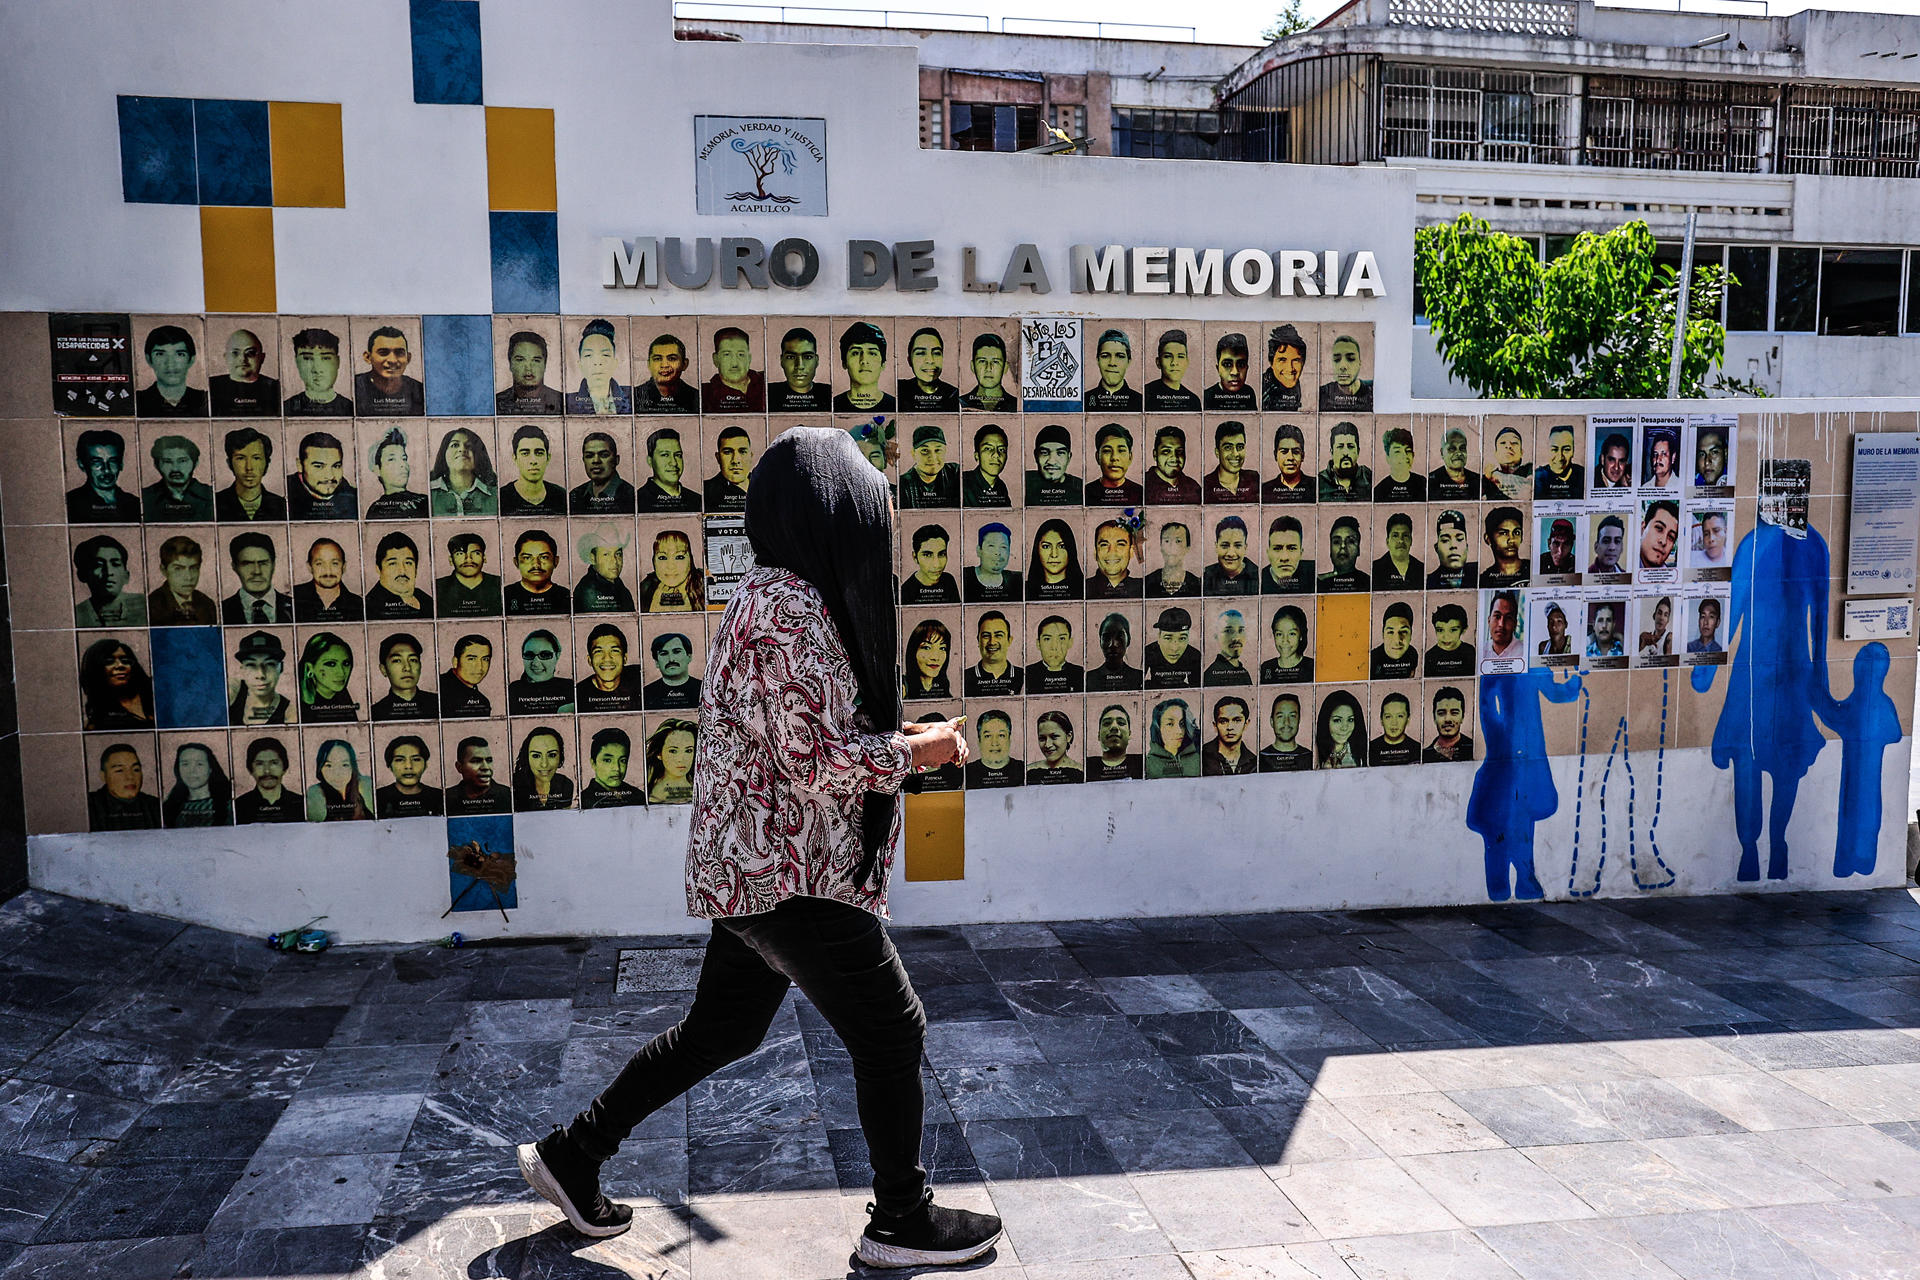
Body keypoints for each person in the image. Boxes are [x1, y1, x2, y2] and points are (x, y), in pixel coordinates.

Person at [519, 423, 997, 1262]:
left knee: (718, 1033)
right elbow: (814, 760)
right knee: (893, 1033)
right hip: (792, 876)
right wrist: (921, 751)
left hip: (755, 871)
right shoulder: (788, 608)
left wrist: (897, 736)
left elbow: (806, 734)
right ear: (824, 507)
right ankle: (900, 1222)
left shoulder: (777, 596)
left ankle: (572, 1152)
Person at [65, 428, 142, 523]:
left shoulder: (135, 504)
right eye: (97, 462)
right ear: (81, 464)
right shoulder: (69, 503)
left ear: (121, 464)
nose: (106, 469)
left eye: (112, 461)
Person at [215, 425, 288, 522]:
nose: (249, 467)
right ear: (229, 463)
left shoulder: (282, 505)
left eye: (256, 458)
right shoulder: (214, 503)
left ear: (267, 462)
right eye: (241, 458)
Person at [73, 534, 147, 627]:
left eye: (115, 564)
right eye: (98, 565)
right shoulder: (75, 616)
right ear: (82, 575)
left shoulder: (148, 605)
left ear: (126, 575)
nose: (108, 572)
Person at [80, 638, 153, 730]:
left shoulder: (156, 689)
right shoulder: (97, 721)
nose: (120, 665)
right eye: (109, 662)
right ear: (96, 669)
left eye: (125, 660)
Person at [135, 324, 208, 417]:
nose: (170, 364)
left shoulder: (206, 399)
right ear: (148, 359)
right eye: (160, 354)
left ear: (191, 359)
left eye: (180, 354)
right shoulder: (136, 401)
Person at [207, 327, 280, 417]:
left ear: (262, 358)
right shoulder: (211, 386)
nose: (242, 359)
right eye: (235, 353)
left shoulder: (275, 388)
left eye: (250, 353)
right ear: (226, 357)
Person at [88, 742, 161, 831]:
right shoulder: (89, 806)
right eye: (119, 770)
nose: (130, 777)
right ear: (103, 776)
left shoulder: (154, 806)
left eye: (136, 769)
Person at [288, 430, 359, 520]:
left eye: (336, 466)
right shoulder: (284, 496)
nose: (330, 476)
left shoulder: (354, 498)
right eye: (319, 466)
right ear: (300, 465)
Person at [566, 319, 632, 415]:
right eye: (588, 355)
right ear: (580, 365)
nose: (597, 363)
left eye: (605, 355)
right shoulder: (567, 402)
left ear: (615, 363)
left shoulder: (633, 396)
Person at [354, 325, 425, 416]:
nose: (392, 360)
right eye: (383, 353)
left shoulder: (419, 391)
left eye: (399, 353)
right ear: (368, 357)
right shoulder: (354, 387)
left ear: (408, 358)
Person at [222, 532, 291, 625]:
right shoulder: (220, 610)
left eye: (263, 563)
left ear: (273, 565)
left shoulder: (297, 607)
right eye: (247, 564)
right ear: (234, 567)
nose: (257, 572)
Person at [141, 433, 214, 521]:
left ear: (195, 463)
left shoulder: (211, 495)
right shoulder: (144, 497)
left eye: (182, 461)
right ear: (157, 465)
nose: (175, 468)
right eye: (167, 461)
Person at [148, 534, 218, 626]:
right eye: (178, 569)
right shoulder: (151, 606)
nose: (188, 577)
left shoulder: (207, 604)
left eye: (193, 568)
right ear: (164, 570)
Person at [429, 426, 499, 517]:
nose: (462, 449)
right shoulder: (428, 493)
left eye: (469, 446)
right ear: (443, 453)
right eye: (455, 445)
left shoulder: (496, 495)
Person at [159, 742, 232, 828]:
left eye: (199, 764)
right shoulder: (168, 808)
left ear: (210, 768)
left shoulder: (229, 806)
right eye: (185, 764)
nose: (192, 771)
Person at [576, 622, 644, 713]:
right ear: (589, 660)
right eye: (599, 651)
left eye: (614, 651)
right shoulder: (578, 694)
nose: (607, 658)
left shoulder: (640, 677)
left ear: (625, 658)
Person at [229, 630, 293, 726]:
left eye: (270, 664)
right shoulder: (234, 690)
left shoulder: (290, 711)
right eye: (251, 665)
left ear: (281, 668)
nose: (261, 675)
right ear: (242, 670)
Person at [284, 327, 353, 416]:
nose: (317, 369)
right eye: (307, 358)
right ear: (297, 362)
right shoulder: (286, 408)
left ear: (337, 362)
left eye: (326, 358)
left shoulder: (352, 408)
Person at [366, 530, 434, 620]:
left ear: (416, 569)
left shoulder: (426, 599)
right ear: (379, 569)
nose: (402, 571)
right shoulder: (370, 607)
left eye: (408, 563)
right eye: (393, 563)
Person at [372, 632, 440, 721]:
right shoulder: (375, 713)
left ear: (420, 665)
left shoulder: (438, 703)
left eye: (413, 660)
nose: (407, 668)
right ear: (383, 669)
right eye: (397, 661)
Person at [364, 426, 429, 519]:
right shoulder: (376, 510)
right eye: (391, 459)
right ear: (377, 469)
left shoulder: (425, 501)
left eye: (404, 458)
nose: (402, 464)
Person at [294, 537, 364, 623]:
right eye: (319, 564)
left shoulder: (358, 604)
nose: (328, 571)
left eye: (334, 563)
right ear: (309, 567)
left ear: (344, 567)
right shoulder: (293, 598)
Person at [501, 424, 566, 516]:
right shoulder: (501, 497)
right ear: (515, 458)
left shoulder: (562, 496)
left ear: (548, 458)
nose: (533, 461)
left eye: (539, 453)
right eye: (525, 453)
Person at [235, 736, 302, 823]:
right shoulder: (239, 806)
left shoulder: (301, 803)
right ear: (250, 769)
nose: (267, 771)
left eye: (274, 763)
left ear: (284, 767)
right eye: (259, 764)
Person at [635, 426, 701, 513]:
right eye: (665, 455)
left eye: (678, 455)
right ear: (650, 461)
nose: (674, 463)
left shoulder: (698, 500)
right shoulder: (637, 501)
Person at [570, 524, 635, 613]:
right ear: (593, 558)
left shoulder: (620, 587)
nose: (614, 561)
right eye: (606, 554)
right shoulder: (588, 592)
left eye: (618, 554)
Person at [497, 330, 565, 414]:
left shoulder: (562, 401)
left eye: (536, 360)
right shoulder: (495, 403)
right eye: (520, 360)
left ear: (545, 364)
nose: (528, 368)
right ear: (510, 363)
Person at [572, 431, 639, 515]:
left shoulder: (632, 496)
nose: (596, 461)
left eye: (604, 455)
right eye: (589, 456)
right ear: (584, 460)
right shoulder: (574, 495)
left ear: (616, 460)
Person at [306, 738, 375, 821]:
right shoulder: (316, 794)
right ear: (320, 768)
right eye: (329, 765)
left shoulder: (364, 786)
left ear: (353, 767)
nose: (337, 773)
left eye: (344, 765)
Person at [509, 629, 575, 715]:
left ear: (557, 655)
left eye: (545, 655)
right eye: (529, 655)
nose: (535, 663)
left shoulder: (570, 688)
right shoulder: (513, 690)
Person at [298, 631, 359, 723]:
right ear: (310, 668)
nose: (341, 673)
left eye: (346, 663)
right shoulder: (299, 708)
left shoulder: (346, 703)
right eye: (331, 664)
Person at [437, 531, 503, 617]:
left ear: (484, 558)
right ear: (451, 560)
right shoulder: (438, 587)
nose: (468, 559)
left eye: (476, 553)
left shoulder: (500, 584)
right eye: (460, 554)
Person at [376, 733, 442, 819]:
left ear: (425, 764)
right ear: (389, 765)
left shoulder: (439, 797)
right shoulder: (378, 797)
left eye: (416, 759)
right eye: (399, 760)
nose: (408, 766)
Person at [832, 321, 892, 414]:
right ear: (844, 362)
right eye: (855, 353)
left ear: (883, 363)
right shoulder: (833, 405)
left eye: (872, 353)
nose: (864, 360)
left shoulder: (894, 405)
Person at [639, 529, 706, 612]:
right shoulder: (646, 588)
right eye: (662, 557)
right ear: (653, 561)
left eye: (679, 557)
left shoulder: (706, 585)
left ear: (690, 560)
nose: (670, 566)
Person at [703, 326, 766, 414]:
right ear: (715, 359)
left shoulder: (765, 383)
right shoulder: (704, 395)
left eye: (741, 355)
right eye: (727, 355)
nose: (734, 364)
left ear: (749, 358)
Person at [897, 325, 959, 412]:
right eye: (921, 353)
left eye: (936, 353)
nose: (930, 360)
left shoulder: (954, 395)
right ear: (909, 360)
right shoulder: (898, 390)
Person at [767, 325, 828, 412]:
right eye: (791, 357)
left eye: (807, 357)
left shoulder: (828, 394)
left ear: (816, 360)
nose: (799, 366)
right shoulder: (768, 393)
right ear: (781, 360)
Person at [444, 735, 511, 815]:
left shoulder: (508, 796)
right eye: (476, 761)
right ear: (459, 767)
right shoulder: (446, 799)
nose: (486, 767)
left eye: (489, 760)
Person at [513, 727, 577, 811]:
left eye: (552, 755)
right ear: (526, 757)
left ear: (560, 757)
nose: (544, 764)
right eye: (536, 756)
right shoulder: (514, 785)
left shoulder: (565, 784)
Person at [580, 727, 645, 809]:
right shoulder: (584, 801)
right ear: (593, 763)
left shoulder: (638, 796)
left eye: (623, 760)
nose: (617, 768)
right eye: (607, 760)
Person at [636, 332, 700, 413]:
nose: (664, 365)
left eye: (672, 359)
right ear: (649, 364)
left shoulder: (697, 397)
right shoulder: (635, 396)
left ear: (684, 364)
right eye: (657, 359)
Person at [899, 424, 959, 509]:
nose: (932, 457)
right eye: (925, 450)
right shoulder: (903, 485)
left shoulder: (955, 472)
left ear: (945, 451)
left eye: (938, 450)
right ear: (913, 453)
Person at [963, 610, 1021, 697]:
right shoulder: (964, 677)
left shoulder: (1023, 675)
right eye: (986, 636)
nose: (992, 642)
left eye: (998, 635)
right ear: (978, 641)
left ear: (1009, 640)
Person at [1025, 518, 1084, 602]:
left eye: (1061, 546)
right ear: (1037, 550)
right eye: (1046, 546)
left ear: (1071, 550)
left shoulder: (1086, 589)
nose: (1054, 554)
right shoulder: (1024, 591)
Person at [962, 522, 1021, 604]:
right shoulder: (964, 577)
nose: (997, 552)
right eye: (991, 546)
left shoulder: (1017, 580)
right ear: (979, 550)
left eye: (1003, 547)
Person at [1085, 329, 1142, 411]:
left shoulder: (1140, 401)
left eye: (1120, 356)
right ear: (1098, 360)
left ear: (1128, 361)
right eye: (1105, 356)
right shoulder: (1084, 401)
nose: (1112, 363)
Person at [1143, 329, 1200, 412]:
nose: (1174, 363)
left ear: (1187, 362)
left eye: (1180, 356)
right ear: (1158, 362)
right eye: (1168, 356)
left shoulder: (1194, 400)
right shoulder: (1145, 393)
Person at [1025, 614, 1083, 694]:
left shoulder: (1080, 673)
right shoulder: (1027, 673)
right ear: (1038, 644)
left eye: (1062, 638)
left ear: (1070, 642)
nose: (1054, 647)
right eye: (1047, 639)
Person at [1025, 423, 1082, 506]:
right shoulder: (1024, 482)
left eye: (1060, 453)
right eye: (1044, 453)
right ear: (1036, 456)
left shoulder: (1080, 488)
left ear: (1069, 457)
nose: (1051, 461)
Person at [902, 525, 959, 605]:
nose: (936, 565)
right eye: (927, 555)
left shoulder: (948, 580)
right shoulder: (906, 592)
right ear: (915, 557)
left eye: (942, 554)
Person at [965, 708, 1023, 789]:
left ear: (1009, 739)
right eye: (988, 736)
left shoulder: (1023, 770)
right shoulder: (967, 773)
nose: (994, 743)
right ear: (979, 741)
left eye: (1001, 735)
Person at [959, 331, 1016, 412]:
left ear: (1005, 367)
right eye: (982, 361)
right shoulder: (960, 403)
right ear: (972, 366)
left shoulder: (1016, 404)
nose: (988, 368)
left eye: (995, 362)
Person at [1145, 607, 1200, 690]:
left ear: (1188, 637)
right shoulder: (1148, 651)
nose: (1174, 649)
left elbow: (1197, 688)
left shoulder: (1194, 655)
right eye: (1168, 638)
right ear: (1159, 637)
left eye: (1182, 638)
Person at [441, 634, 495, 719]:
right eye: (471, 659)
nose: (480, 667)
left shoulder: (482, 702)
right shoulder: (438, 690)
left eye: (485, 659)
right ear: (455, 662)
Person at [1146, 424, 1202, 505]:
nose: (1175, 457)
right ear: (1155, 455)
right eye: (1166, 451)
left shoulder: (1194, 488)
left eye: (1179, 451)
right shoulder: (1144, 485)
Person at [1204, 421, 1258, 504]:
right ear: (1217, 452)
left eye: (1240, 447)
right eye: (1228, 447)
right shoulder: (1206, 486)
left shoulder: (1255, 479)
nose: (1235, 454)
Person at [1088, 422, 1143, 505]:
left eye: (1121, 451)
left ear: (1130, 457)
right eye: (1107, 451)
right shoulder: (1086, 492)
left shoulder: (1141, 493)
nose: (1114, 458)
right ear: (1097, 457)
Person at [1145, 698, 1200, 779]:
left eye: (1182, 724)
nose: (1179, 731)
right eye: (1170, 724)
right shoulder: (1147, 763)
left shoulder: (1199, 758)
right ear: (1158, 727)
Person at [645, 632, 701, 710]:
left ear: (689, 656)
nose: (671, 659)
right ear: (657, 662)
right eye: (664, 654)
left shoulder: (704, 689)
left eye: (677, 652)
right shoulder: (646, 693)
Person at [704, 425, 755, 512]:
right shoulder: (706, 491)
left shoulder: (765, 485)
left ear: (751, 456)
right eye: (728, 452)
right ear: (718, 457)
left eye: (742, 452)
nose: (735, 460)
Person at [1317, 420, 1370, 502]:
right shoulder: (1319, 482)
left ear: (1358, 451)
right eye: (1340, 447)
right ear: (1332, 452)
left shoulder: (1368, 477)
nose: (1345, 453)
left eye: (1350, 446)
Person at [1086, 519, 1140, 600]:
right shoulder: (1082, 589)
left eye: (1120, 544)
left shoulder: (1144, 588)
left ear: (1131, 552)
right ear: (1095, 553)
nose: (1112, 551)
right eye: (1104, 545)